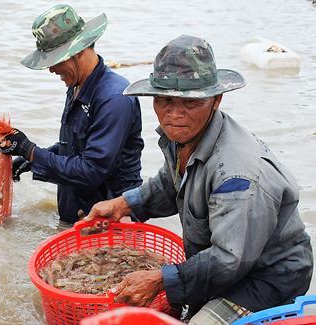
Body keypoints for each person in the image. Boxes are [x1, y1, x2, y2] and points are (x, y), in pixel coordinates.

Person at [85, 35, 313, 324]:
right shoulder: (184, 137)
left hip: (266, 279)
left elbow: (230, 260)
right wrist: (123, 204)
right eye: (165, 100)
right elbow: (171, 183)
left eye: (191, 102)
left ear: (216, 100)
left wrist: (160, 279)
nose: (175, 114)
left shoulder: (237, 173)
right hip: (229, 261)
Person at [0, 4, 144, 223]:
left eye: (55, 60)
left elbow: (91, 170)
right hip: (78, 213)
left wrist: (32, 152)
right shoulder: (77, 85)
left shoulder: (114, 98)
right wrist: (30, 158)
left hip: (109, 220)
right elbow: (77, 145)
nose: (51, 69)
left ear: (78, 51)